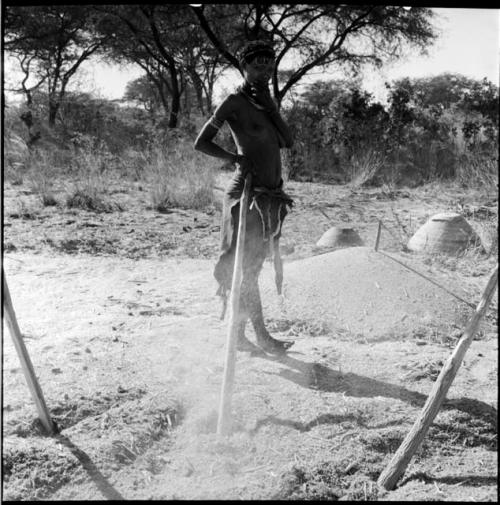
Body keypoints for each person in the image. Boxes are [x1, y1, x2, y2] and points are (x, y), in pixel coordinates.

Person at [194, 40, 294, 354]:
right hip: (245, 194)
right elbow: (202, 142)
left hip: (269, 197)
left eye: (268, 65)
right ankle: (259, 336)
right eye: (257, 65)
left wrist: (269, 103)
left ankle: (241, 336)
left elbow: (286, 141)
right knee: (247, 268)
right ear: (244, 67)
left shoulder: (266, 102)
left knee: (252, 268)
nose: (264, 71)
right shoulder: (234, 101)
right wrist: (234, 158)